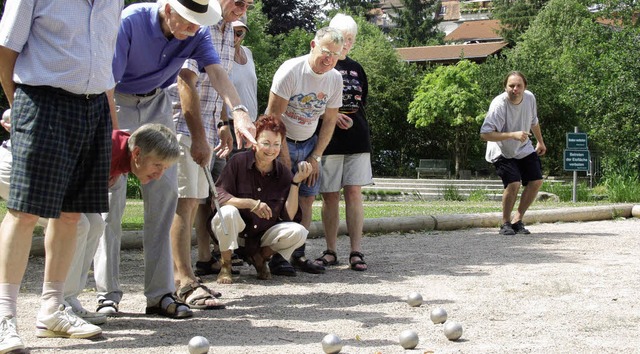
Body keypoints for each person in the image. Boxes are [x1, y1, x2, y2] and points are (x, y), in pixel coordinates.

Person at [94, 0, 256, 320]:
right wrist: (115, 138)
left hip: (156, 103)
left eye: (197, 24)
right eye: (186, 22)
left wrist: (237, 111)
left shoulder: (197, 33)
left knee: (165, 195)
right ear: (168, 9)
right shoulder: (130, 21)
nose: (191, 31)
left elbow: (217, 73)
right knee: (111, 199)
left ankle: (159, 294)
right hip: (117, 102)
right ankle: (107, 295)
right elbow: (107, 84)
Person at [0, 0, 122, 350]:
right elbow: (5, 49)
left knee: (73, 214)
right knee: (24, 212)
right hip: (42, 100)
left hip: (94, 107)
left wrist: (111, 126)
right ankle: (4, 317)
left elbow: (104, 60)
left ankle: (53, 309)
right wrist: (19, 105)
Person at [167, 0, 253, 310]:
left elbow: (216, 82)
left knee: (194, 201)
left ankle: (185, 275)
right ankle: (183, 280)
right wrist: (200, 136)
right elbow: (184, 80)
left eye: (248, 4)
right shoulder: (199, 24)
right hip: (182, 124)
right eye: (237, 1)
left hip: (206, 124)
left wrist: (223, 123)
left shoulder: (229, 31)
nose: (241, 9)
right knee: (185, 202)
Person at [264, 27, 344, 276]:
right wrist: (283, 154)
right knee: (279, 198)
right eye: (326, 52)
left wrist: (316, 156)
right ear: (313, 45)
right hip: (281, 140)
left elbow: (330, 121)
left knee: (307, 198)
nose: (329, 59)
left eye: (336, 55)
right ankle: (275, 256)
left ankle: (297, 253)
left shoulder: (334, 79)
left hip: (310, 142)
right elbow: (272, 118)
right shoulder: (291, 71)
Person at [192, 17, 259, 279]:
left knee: (235, 191)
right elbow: (216, 89)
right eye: (233, 31)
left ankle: (231, 250)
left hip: (246, 128)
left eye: (241, 32)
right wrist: (223, 123)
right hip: (222, 127)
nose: (236, 36)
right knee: (206, 196)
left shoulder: (247, 54)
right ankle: (205, 256)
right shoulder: (212, 47)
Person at [211, 114, 311, 283]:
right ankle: (226, 264)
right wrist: (250, 204)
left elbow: (289, 216)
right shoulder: (238, 162)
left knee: (298, 231)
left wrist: (296, 183)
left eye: (276, 144)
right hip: (237, 232)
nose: (271, 149)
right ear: (255, 142)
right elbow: (218, 196)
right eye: (266, 143)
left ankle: (260, 258)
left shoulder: (283, 172)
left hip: (261, 235)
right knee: (227, 212)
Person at [314, 14, 371, 272]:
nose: (346, 43)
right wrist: (332, 115)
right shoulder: (324, 66)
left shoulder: (357, 68)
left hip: (357, 138)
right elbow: (313, 102)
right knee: (329, 196)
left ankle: (356, 251)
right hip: (329, 141)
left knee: (354, 192)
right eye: (342, 38)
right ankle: (331, 250)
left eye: (350, 39)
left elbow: (362, 102)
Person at [480, 71, 547, 235]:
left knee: (536, 181)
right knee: (514, 183)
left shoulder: (530, 98)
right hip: (501, 149)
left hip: (523, 147)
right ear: (505, 87)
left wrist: (540, 141)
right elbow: (485, 134)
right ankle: (505, 223)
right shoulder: (499, 105)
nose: (515, 89)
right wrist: (512, 135)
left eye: (519, 86)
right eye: (511, 86)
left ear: (525, 87)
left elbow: (534, 121)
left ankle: (517, 220)